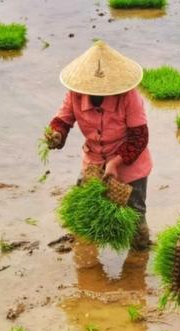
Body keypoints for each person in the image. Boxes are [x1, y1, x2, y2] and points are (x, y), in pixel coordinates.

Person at [44, 40, 151, 251]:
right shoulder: (76, 94)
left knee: (135, 215)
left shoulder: (129, 97)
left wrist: (116, 162)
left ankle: (138, 261)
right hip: (93, 161)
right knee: (85, 211)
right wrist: (56, 134)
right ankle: (87, 260)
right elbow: (63, 119)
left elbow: (139, 137)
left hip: (130, 165)